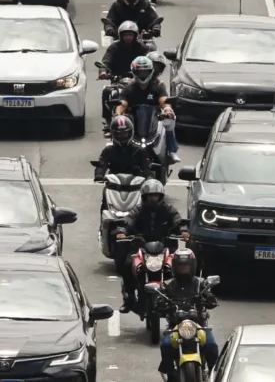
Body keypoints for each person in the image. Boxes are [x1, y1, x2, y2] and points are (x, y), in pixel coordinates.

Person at [115, 179, 189, 313]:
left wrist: (183, 231)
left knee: (182, 265)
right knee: (127, 264)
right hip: (142, 248)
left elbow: (178, 220)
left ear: (160, 196)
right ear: (145, 197)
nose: (153, 198)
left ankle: (181, 298)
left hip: (166, 248)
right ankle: (130, 297)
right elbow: (128, 222)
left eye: (155, 195)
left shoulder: (169, 210)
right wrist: (122, 232)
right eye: (150, 196)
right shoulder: (138, 210)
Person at [155, 249, 219, 381]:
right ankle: (171, 374)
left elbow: (212, 301)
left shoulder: (201, 283)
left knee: (211, 345)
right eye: (180, 266)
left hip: (199, 326)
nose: (183, 269)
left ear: (192, 266)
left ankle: (215, 374)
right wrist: (161, 305)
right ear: (175, 267)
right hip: (176, 326)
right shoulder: (167, 285)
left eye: (186, 266)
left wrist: (207, 299)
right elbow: (158, 305)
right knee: (166, 345)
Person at [115, 56, 181, 163]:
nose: (142, 75)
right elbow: (122, 104)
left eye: (145, 72)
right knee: (118, 125)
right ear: (134, 72)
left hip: (155, 120)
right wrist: (118, 114)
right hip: (133, 121)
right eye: (139, 72)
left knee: (170, 120)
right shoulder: (128, 89)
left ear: (151, 72)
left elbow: (164, 101)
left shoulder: (158, 87)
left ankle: (171, 151)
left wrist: (168, 110)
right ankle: (117, 153)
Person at [99, 21, 150, 130]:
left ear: (135, 36)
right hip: (118, 79)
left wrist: (148, 74)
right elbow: (106, 61)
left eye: (130, 35)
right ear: (121, 35)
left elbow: (149, 61)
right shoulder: (114, 47)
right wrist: (103, 72)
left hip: (137, 80)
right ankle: (108, 121)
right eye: (125, 35)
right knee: (107, 92)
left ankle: (151, 120)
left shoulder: (142, 48)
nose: (128, 37)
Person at [94, 116, 152, 209]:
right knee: (105, 197)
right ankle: (104, 221)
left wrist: (149, 177)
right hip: (114, 184)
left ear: (130, 132)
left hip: (135, 185)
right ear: (114, 134)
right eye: (120, 134)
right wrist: (99, 175)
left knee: (147, 203)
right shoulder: (108, 150)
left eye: (125, 133)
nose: (122, 136)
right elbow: (101, 164)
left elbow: (146, 167)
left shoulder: (140, 151)